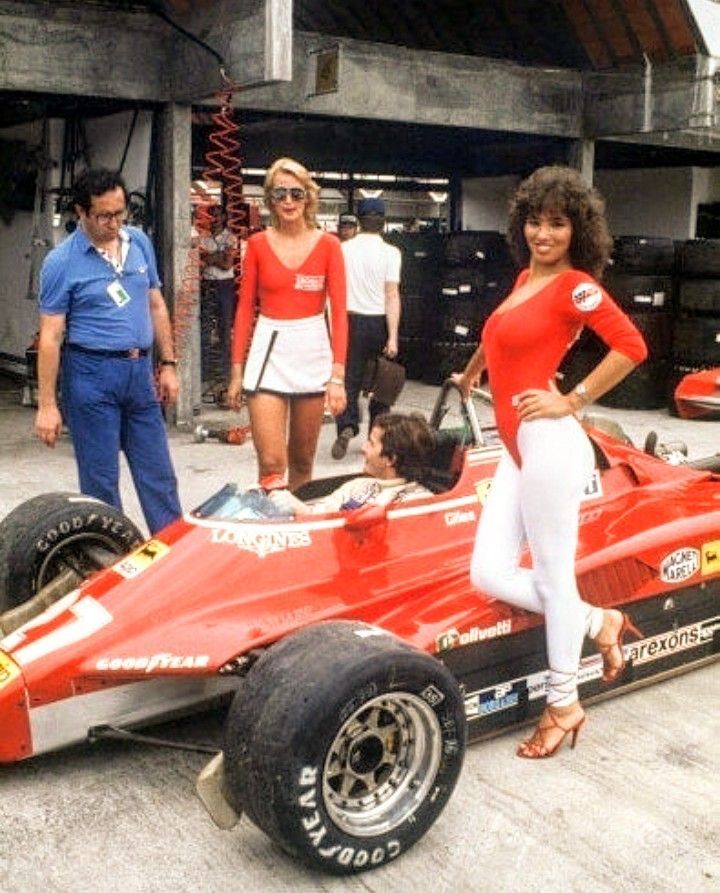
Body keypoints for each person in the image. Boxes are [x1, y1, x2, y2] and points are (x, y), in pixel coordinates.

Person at [454, 165, 648, 759]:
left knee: (552, 576)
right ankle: (598, 623)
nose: (544, 234)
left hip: (550, 441)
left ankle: (563, 703)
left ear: (577, 231)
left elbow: (632, 346)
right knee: (487, 572)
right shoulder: (523, 279)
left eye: (557, 224)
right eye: (536, 222)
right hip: (517, 446)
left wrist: (572, 398)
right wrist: (470, 373)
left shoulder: (575, 287)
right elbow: (502, 335)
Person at [35, 168, 181, 535]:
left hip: (139, 373)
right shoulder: (61, 262)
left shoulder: (138, 243)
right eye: (104, 216)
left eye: (120, 213)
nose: (115, 223)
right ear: (81, 213)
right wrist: (47, 405)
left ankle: (173, 557)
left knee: (158, 474)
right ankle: (110, 564)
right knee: (100, 483)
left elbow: (157, 305)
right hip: (90, 376)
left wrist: (168, 363)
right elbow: (51, 337)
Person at [227, 157, 347, 491]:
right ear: (270, 199)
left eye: (296, 193)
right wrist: (236, 371)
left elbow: (339, 314)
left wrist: (337, 376)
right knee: (271, 464)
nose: (289, 202)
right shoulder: (257, 244)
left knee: (302, 462)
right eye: (280, 194)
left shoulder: (329, 245)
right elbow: (243, 310)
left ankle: (299, 533)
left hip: (312, 351)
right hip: (269, 350)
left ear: (308, 196)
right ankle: (270, 530)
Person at [331, 196, 401, 460]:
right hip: (379, 321)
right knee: (384, 379)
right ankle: (377, 433)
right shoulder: (392, 253)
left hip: (350, 321)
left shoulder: (343, 250)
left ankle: (347, 426)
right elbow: (392, 295)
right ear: (383, 223)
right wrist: (392, 336)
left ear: (358, 222)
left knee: (348, 380)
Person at [269, 412, 433, 515]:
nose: (363, 448)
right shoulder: (357, 485)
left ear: (390, 459)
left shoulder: (419, 504)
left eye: (371, 443)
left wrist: (302, 510)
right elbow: (319, 512)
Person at [199, 205, 238, 386]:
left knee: (224, 329)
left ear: (224, 217)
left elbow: (227, 264)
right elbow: (200, 262)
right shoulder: (203, 238)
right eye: (211, 215)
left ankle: (224, 372)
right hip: (207, 284)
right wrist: (218, 256)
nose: (214, 219)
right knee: (204, 329)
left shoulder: (231, 237)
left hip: (224, 286)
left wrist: (210, 257)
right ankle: (205, 371)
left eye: (217, 215)